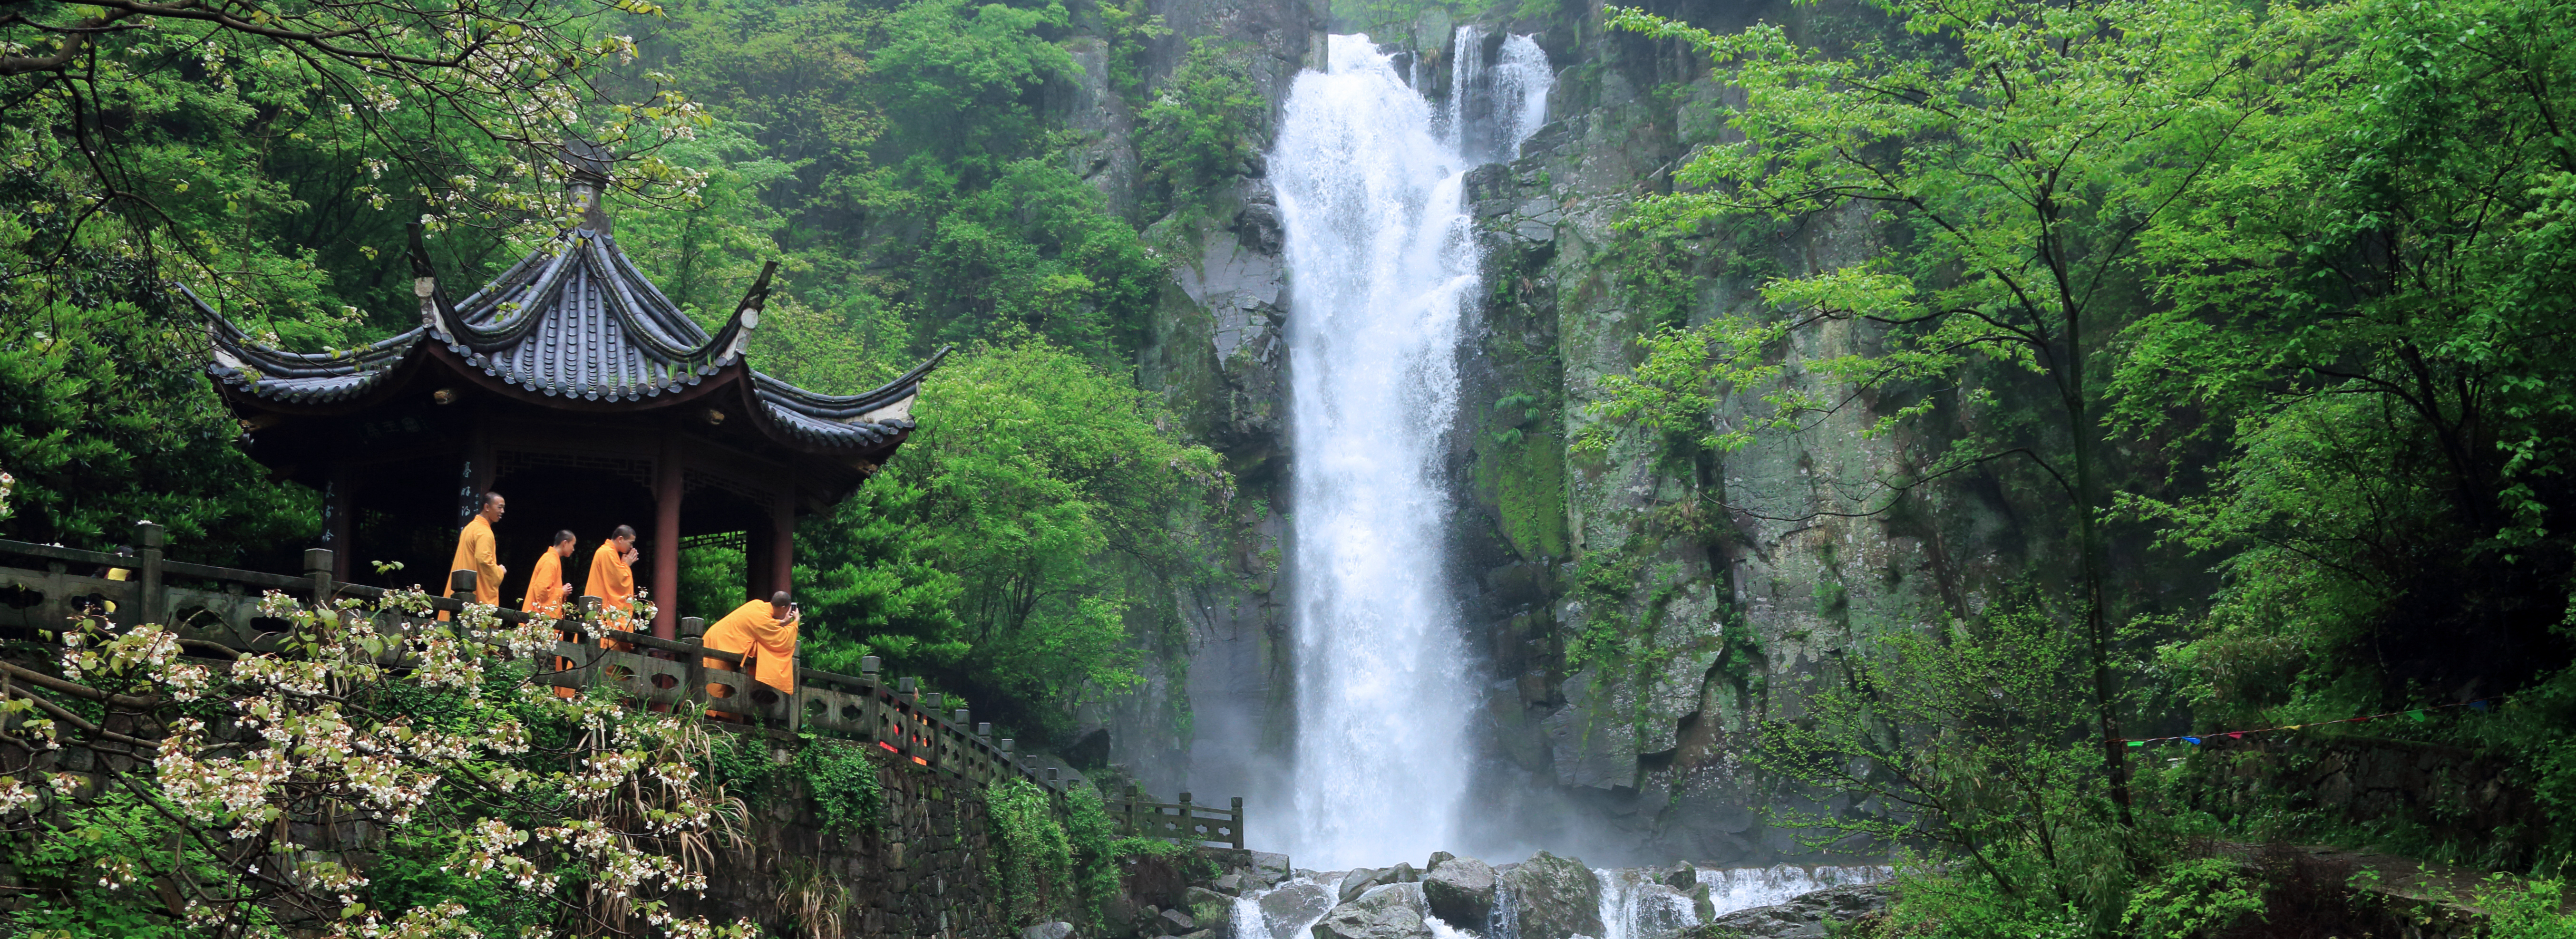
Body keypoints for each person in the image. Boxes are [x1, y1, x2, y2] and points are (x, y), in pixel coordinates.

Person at [701, 591, 800, 720]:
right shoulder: (763, 620)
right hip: (720, 643)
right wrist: (795, 621)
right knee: (716, 683)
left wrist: (782, 622)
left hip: (716, 636)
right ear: (783, 608)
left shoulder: (756, 604)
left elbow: (762, 625)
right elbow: (782, 639)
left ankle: (720, 717)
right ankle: (706, 717)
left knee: (722, 682)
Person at [441, 492, 506, 620]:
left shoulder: (470, 528)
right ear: (487, 507)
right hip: (472, 593)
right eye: (499, 507)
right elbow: (484, 561)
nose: (503, 511)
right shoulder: (485, 532)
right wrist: (500, 571)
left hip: (459, 589)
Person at [522, 530, 577, 618]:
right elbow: (542, 591)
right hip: (537, 618)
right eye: (573, 545)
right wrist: (562, 591)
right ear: (565, 543)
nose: (573, 549)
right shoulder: (550, 561)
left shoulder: (553, 559)